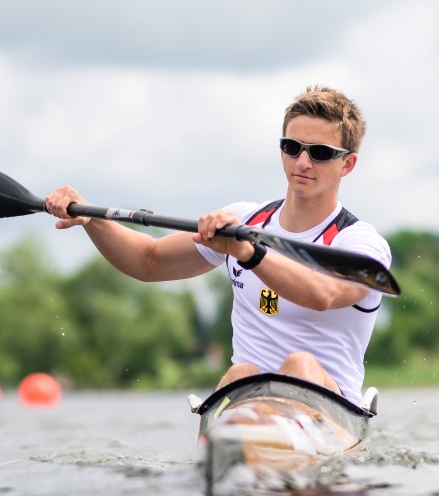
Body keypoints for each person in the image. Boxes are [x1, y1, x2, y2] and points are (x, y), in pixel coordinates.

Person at [44, 85, 392, 406]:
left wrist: (248, 253)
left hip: (330, 411)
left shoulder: (360, 243)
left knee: (299, 364)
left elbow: (323, 294)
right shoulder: (244, 219)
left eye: (319, 152)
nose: (302, 162)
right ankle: (232, 446)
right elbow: (147, 261)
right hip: (247, 399)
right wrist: (93, 219)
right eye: (292, 147)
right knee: (242, 373)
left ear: (348, 163)